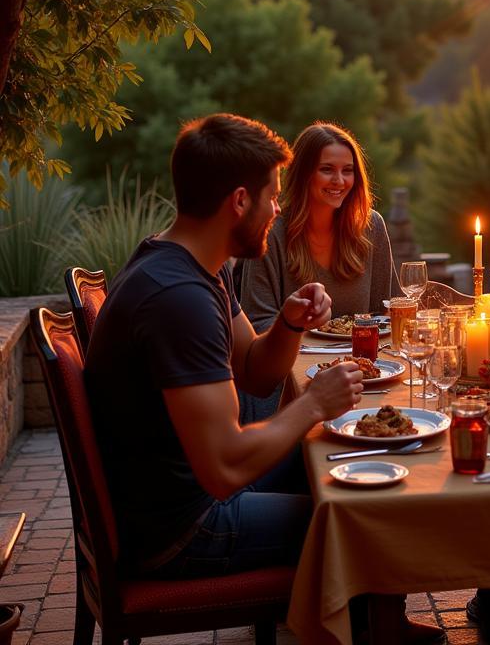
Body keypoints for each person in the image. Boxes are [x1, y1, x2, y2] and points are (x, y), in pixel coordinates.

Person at [85, 114, 441, 643]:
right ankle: (375, 629)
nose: (280, 210)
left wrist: (289, 323)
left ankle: (377, 623)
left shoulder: (194, 267)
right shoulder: (176, 300)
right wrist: (313, 404)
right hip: (184, 528)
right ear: (239, 202)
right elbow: (226, 468)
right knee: (369, 520)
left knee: (367, 471)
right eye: (274, 197)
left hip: (189, 494)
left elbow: (254, 372)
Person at [239, 121, 399, 334]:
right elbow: (257, 323)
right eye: (327, 169)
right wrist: (302, 327)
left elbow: (386, 311)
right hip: (294, 363)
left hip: (359, 360)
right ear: (304, 174)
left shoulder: (371, 225)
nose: (339, 180)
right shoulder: (271, 231)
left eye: (348, 171)